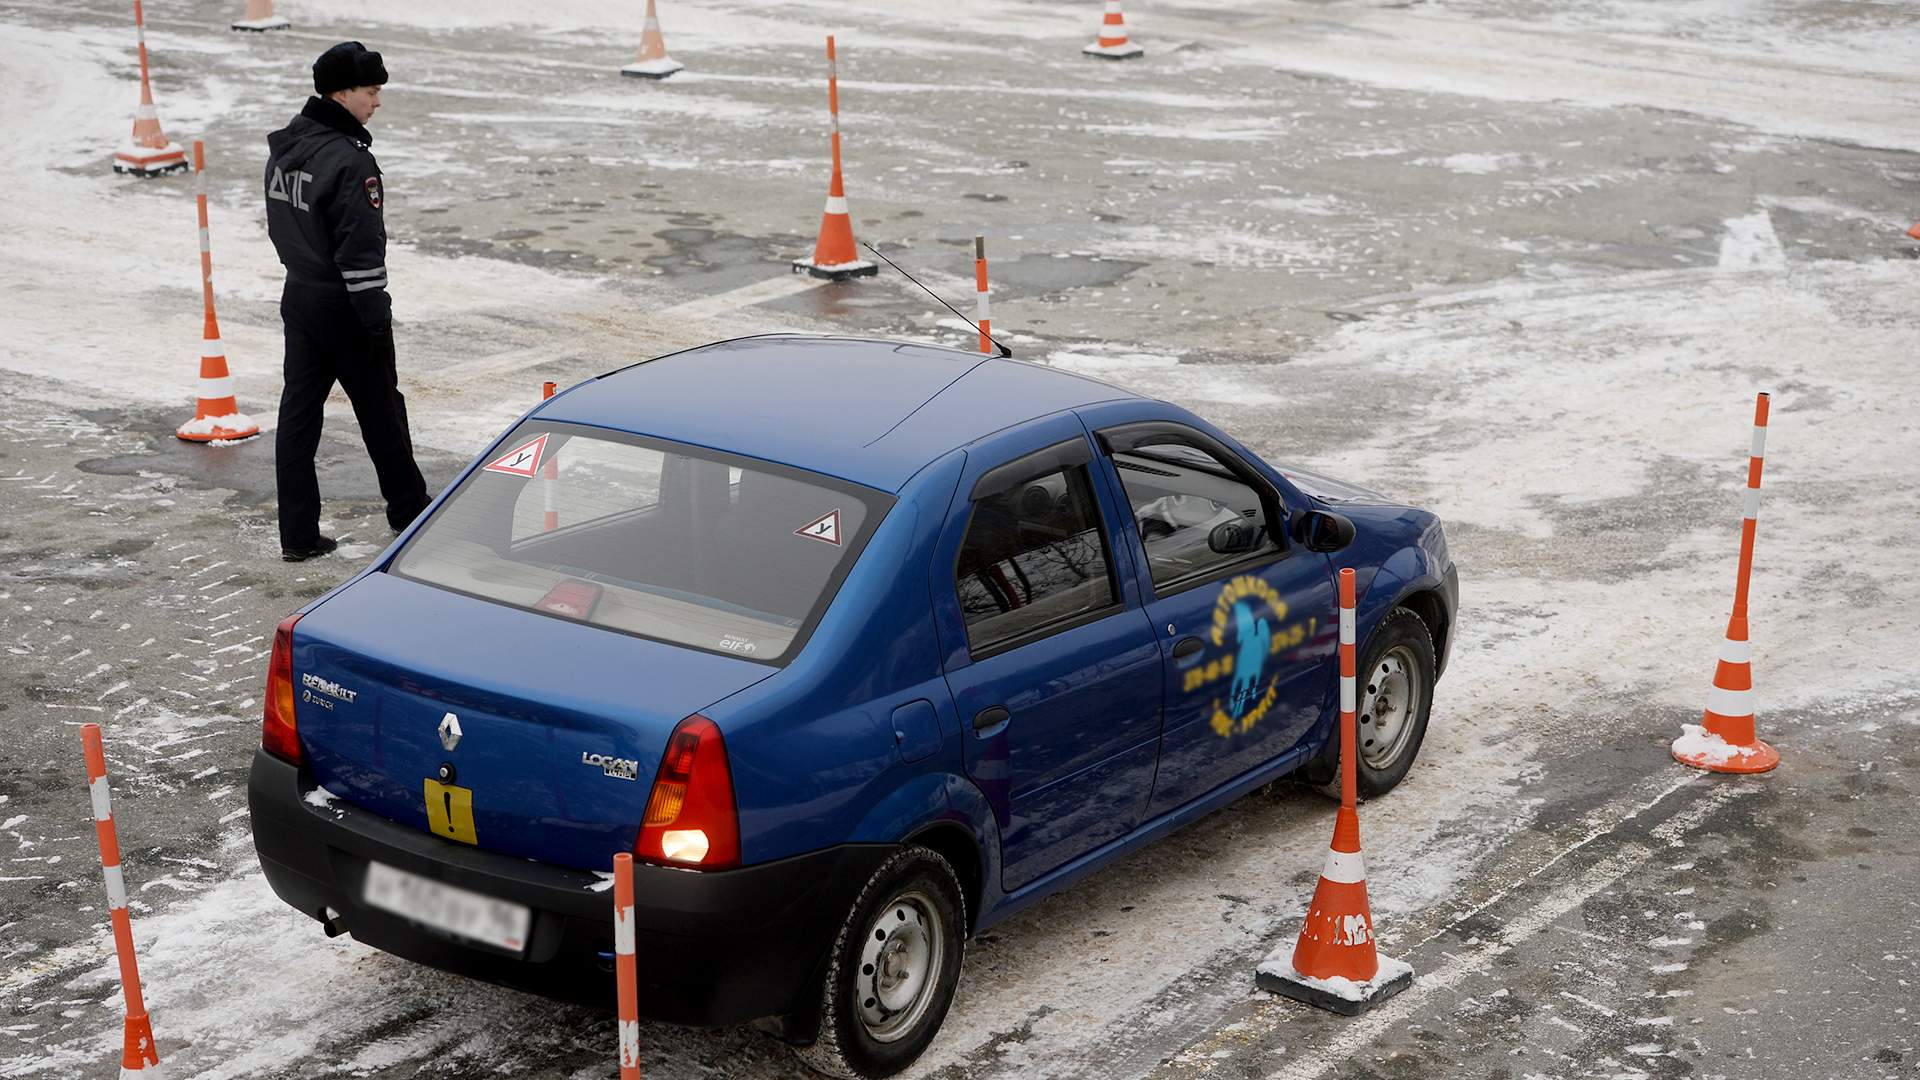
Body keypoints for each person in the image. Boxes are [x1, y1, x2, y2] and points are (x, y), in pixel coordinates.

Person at [265, 42, 430, 562]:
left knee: (297, 417)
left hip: (300, 294)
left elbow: (283, 226)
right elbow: (360, 245)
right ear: (342, 93)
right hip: (345, 303)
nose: (377, 101)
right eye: (371, 90)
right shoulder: (350, 161)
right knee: (382, 410)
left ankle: (297, 534)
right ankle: (409, 512)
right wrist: (375, 315)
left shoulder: (287, 147)